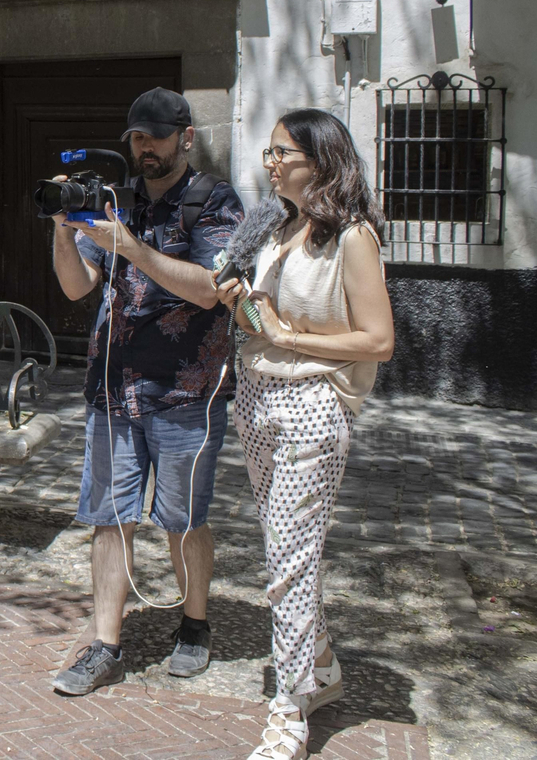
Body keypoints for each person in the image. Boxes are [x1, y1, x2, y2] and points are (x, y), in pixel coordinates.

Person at [48, 88, 245, 696]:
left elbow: (210, 290)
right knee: (108, 518)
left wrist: (130, 247)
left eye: (156, 137)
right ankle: (105, 643)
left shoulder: (215, 203)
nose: (145, 148)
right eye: (137, 137)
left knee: (183, 520)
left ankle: (193, 624)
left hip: (188, 392)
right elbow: (77, 287)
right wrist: (63, 228)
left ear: (185, 137)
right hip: (113, 387)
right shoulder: (117, 201)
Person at [213, 109, 393, 760]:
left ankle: (289, 709)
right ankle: (321, 662)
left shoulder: (353, 237)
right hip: (256, 398)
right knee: (285, 547)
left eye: (282, 152)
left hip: (313, 405)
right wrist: (237, 297)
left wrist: (289, 336)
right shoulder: (274, 226)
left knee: (289, 562)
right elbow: (252, 308)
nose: (270, 163)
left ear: (321, 159)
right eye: (268, 152)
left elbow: (379, 339)